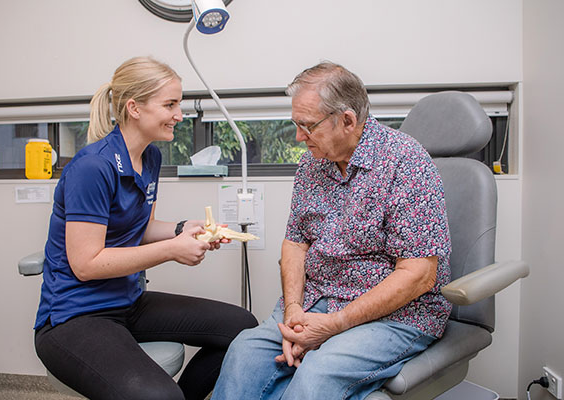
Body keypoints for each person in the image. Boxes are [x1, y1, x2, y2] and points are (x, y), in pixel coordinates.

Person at [211, 62, 452, 400]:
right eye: (296, 124)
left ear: (348, 121)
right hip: (316, 301)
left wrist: (333, 326)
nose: (298, 136)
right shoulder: (312, 163)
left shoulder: (406, 163)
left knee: (315, 376)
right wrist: (294, 311)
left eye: (307, 126)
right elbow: (295, 243)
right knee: (243, 355)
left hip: (396, 315)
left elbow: (419, 275)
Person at [33, 56, 257, 400]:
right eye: (170, 104)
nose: (179, 115)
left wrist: (186, 229)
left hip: (127, 301)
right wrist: (172, 250)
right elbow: (86, 263)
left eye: (179, 104)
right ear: (134, 108)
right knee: (158, 396)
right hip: (74, 315)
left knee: (243, 329)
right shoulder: (92, 167)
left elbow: (143, 227)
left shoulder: (151, 158)